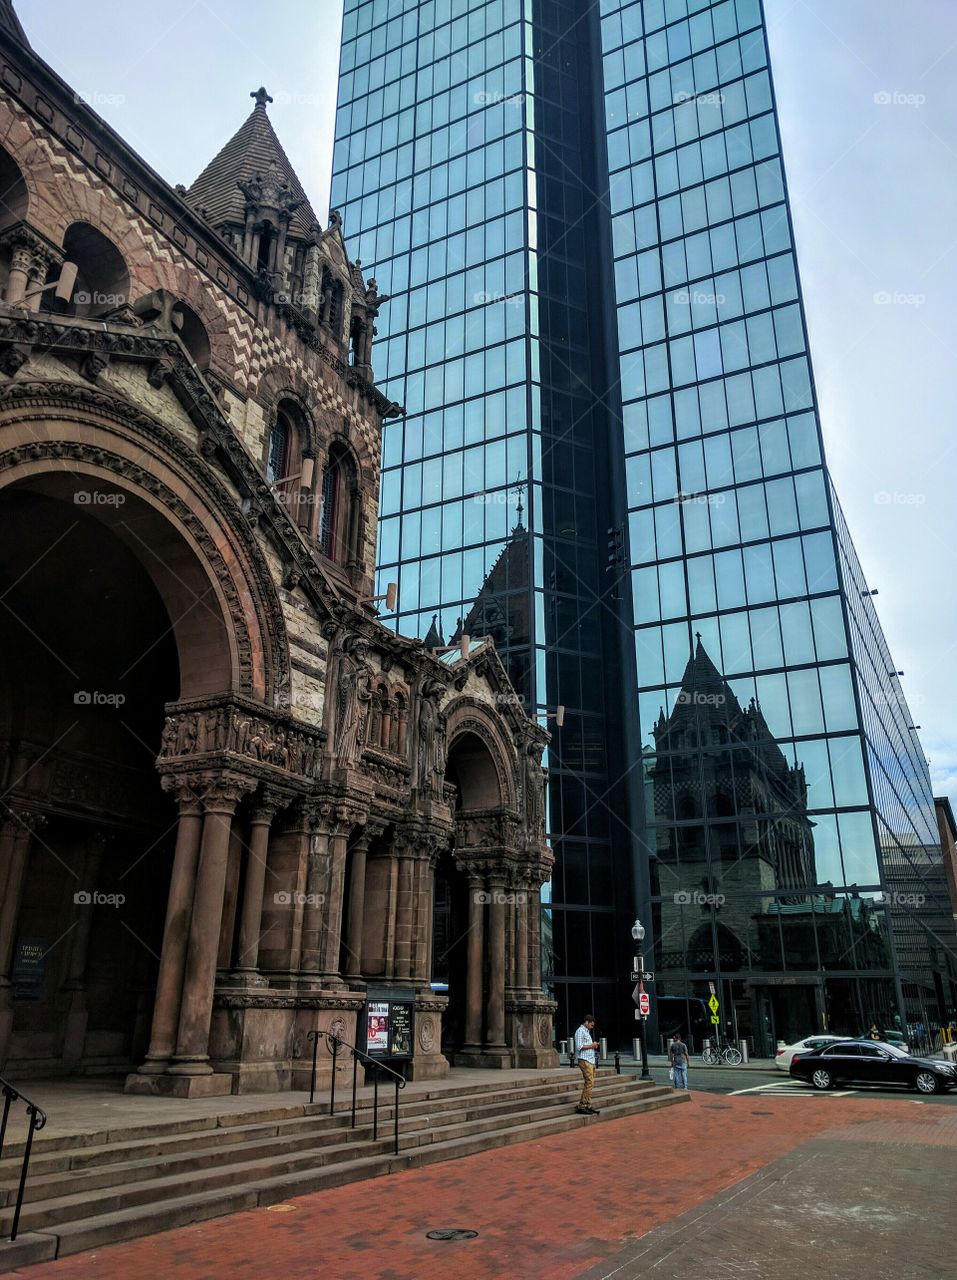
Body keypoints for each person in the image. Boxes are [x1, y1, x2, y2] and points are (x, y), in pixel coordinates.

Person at [573, 1015, 601, 1115]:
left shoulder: (586, 1032)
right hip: (584, 1060)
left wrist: (593, 1045)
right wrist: (592, 1045)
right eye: (591, 1024)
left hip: (590, 1060)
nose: (592, 1026)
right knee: (589, 1082)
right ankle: (582, 1105)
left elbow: (586, 1045)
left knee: (591, 1083)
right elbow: (579, 1046)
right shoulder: (580, 1031)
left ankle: (587, 1104)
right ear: (586, 1022)